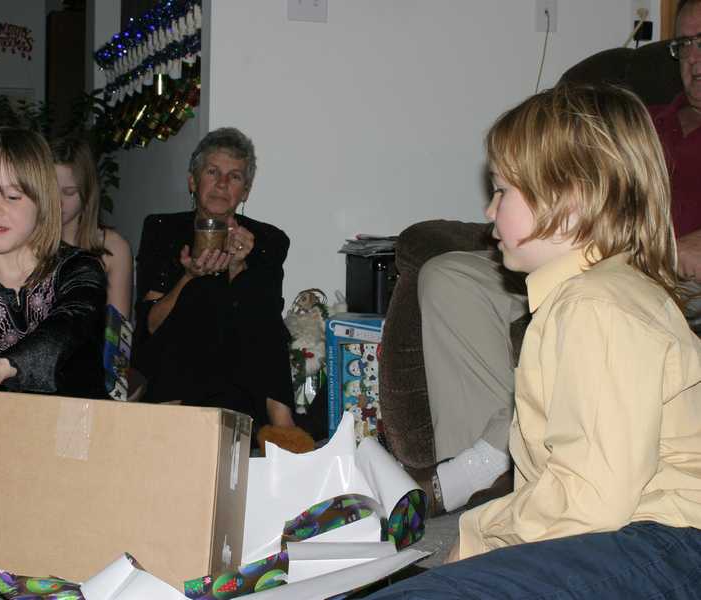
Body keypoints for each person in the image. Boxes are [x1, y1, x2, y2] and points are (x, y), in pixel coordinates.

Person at [368, 83, 701, 599]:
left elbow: (592, 499)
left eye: (502, 191)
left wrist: (480, 536)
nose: (488, 210)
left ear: (571, 199)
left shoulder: (597, 305)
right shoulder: (591, 297)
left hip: (665, 546)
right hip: (637, 540)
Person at [412, 0, 701, 517]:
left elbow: (599, 510)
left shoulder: (602, 311)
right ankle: (493, 479)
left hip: (660, 271)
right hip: (582, 250)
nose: (695, 57)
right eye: (685, 44)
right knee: (449, 276)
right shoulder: (639, 120)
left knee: (590, 308)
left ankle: (494, 469)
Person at [133, 127, 295, 429]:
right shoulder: (162, 230)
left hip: (240, 371)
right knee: (200, 291)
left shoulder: (268, 240)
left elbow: (266, 322)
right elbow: (151, 325)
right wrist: (189, 277)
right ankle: (169, 419)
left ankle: (283, 425)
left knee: (255, 298)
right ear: (193, 181)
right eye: (212, 172)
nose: (222, 184)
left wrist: (238, 267)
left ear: (245, 191)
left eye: (234, 176)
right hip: (171, 367)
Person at [0, 127, 109, 399]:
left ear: (44, 202)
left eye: (12, 196)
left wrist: (1, 368)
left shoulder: (80, 269)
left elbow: (70, 324)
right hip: (2, 425)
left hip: (83, 423)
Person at [50, 136, 133, 319]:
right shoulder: (21, 241)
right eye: (50, 191)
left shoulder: (113, 247)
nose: (58, 202)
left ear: (87, 193)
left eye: (69, 192)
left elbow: (116, 328)